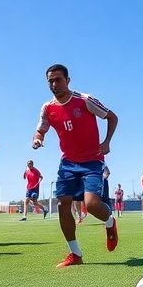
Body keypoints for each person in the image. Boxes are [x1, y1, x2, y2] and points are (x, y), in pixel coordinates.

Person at [32, 64, 119, 268]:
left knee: (91, 205)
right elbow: (40, 130)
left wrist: (106, 142)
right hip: (68, 163)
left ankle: (109, 221)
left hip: (92, 161)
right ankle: (75, 254)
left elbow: (112, 117)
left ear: (68, 81)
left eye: (58, 80)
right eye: (50, 81)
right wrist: (37, 139)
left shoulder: (85, 100)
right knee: (63, 204)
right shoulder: (48, 108)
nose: (54, 84)